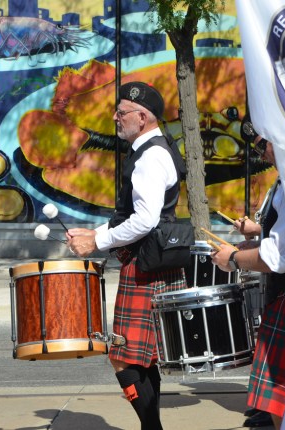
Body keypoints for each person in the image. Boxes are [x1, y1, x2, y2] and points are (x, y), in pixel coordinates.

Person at [67, 81, 188, 430]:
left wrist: (97, 241)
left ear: (143, 116)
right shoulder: (156, 149)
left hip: (146, 267)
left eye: (121, 113)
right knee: (144, 360)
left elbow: (145, 219)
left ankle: (152, 429)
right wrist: (95, 233)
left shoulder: (150, 156)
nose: (115, 118)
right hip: (154, 264)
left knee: (122, 359)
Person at [211, 130, 285, 430]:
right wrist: (253, 241)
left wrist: (232, 258)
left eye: (263, 144)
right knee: (284, 406)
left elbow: (277, 257)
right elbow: (282, 240)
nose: (261, 153)